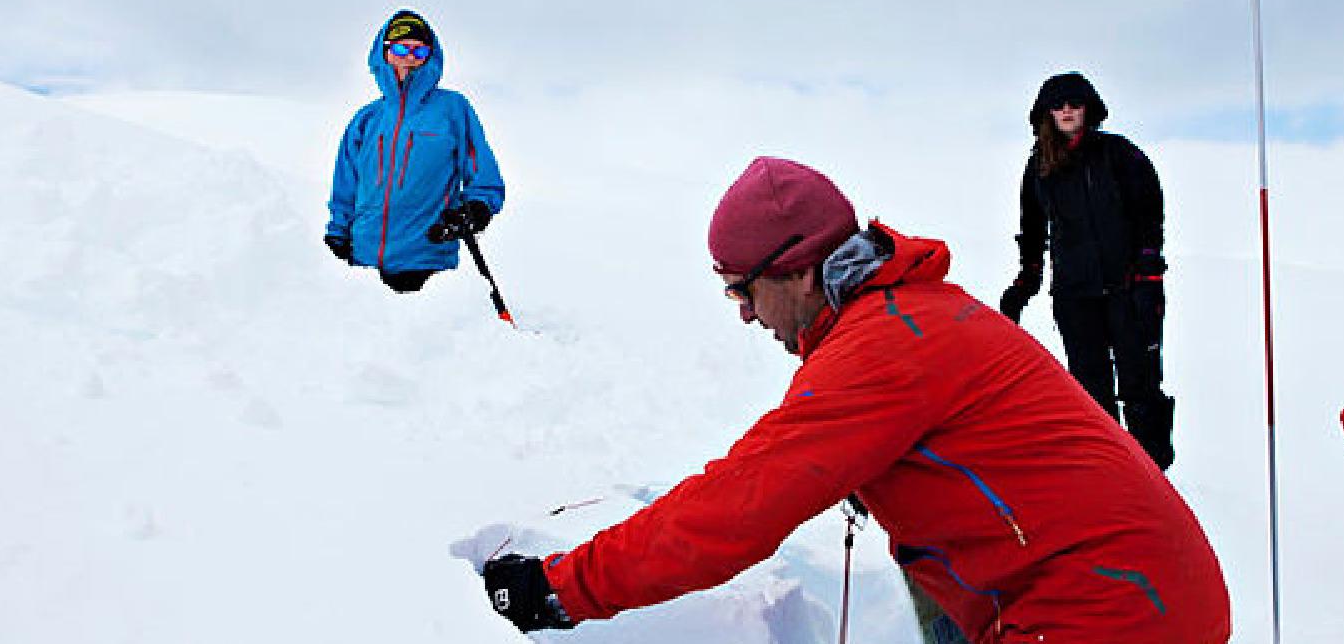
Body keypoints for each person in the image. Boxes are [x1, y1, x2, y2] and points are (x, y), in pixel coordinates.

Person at [478, 157, 1230, 643]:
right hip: (1123, 596)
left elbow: (738, 507)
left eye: (744, 288)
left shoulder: (883, 347)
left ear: (801, 272)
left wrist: (561, 586)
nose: (742, 311)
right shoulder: (909, 313)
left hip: (1109, 614)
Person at [997, 71, 1176, 470]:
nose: (1066, 111)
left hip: (1129, 290)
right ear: (1046, 112)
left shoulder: (1119, 155)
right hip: (1075, 296)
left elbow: (1150, 213)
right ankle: (1108, 471)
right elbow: (1033, 230)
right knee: (1091, 389)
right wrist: (1025, 283)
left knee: (1140, 384)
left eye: (1074, 104)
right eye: (1058, 105)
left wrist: (1148, 271)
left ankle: (1154, 470)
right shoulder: (1039, 167)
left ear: (1087, 109)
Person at [324, 9, 504, 293]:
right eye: (401, 48)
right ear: (384, 53)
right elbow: (346, 183)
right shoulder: (367, 118)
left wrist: (477, 207)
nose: (410, 58)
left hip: (427, 258)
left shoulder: (452, 109)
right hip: (363, 262)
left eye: (420, 51)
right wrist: (338, 231)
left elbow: (483, 175)